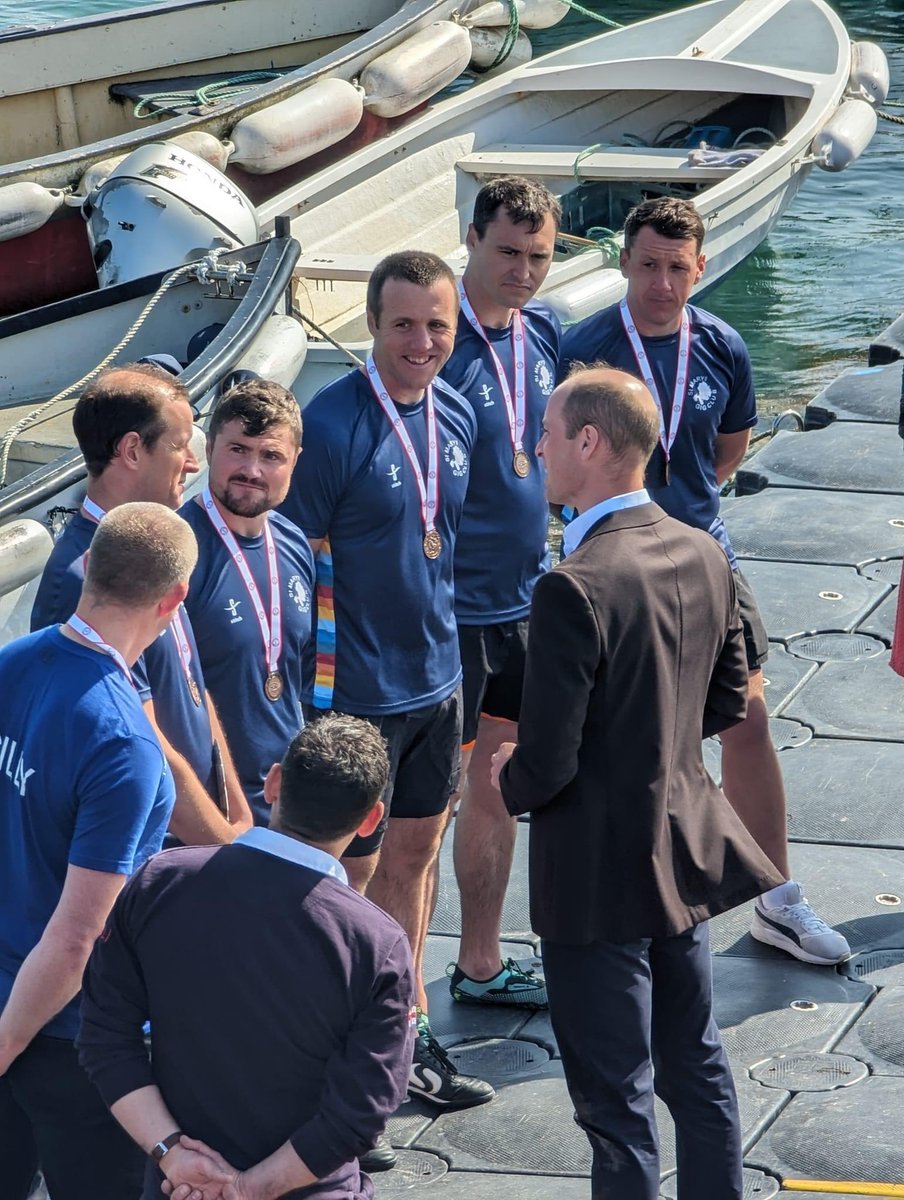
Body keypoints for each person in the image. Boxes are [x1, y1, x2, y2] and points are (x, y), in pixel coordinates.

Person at [491, 366, 785, 1199]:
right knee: (697, 1065)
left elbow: (549, 761)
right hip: (683, 854)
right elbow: (728, 702)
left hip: (594, 877)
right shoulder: (703, 550)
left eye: (548, 433)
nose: (538, 447)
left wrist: (510, 779)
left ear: (588, 442)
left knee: (614, 1100)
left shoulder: (571, 586)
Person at [558, 196, 850, 966]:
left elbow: (727, 450)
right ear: (624, 263)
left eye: (677, 268)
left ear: (701, 268)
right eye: (648, 266)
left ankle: (778, 901)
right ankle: (630, 913)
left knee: (747, 721)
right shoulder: (585, 350)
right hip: (617, 574)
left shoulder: (722, 345)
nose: (662, 283)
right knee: (634, 745)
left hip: (706, 560)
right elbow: (559, 464)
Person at [281, 250, 493, 1112]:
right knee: (348, 884)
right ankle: (332, 1062)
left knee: (416, 860)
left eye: (437, 324)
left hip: (438, 683)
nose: (421, 341)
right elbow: (290, 572)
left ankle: (404, 1038)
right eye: (403, 323)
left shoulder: (456, 412)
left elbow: (443, 542)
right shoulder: (332, 427)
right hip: (356, 699)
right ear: (372, 323)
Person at [78, 714, 415, 1200]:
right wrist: (246, 1188)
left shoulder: (160, 882)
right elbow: (359, 1115)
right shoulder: (378, 945)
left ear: (274, 782)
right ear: (370, 820)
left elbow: (104, 1039)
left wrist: (172, 1154)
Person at [0, 502, 194, 1200]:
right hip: (66, 1039)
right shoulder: (123, 743)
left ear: (87, 565)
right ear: (174, 599)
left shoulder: (11, 663)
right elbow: (77, 938)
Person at [31, 363, 252, 845]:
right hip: (153, 854)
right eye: (179, 445)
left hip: (197, 837)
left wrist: (236, 809)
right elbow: (140, 743)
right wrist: (225, 845)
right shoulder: (84, 581)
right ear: (132, 450)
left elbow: (192, 686)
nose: (192, 463)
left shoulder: (146, 549)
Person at [438, 177, 561, 1009]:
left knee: (495, 787)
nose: (522, 271)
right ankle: (393, 999)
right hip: (447, 615)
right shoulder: (435, 341)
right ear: (473, 239)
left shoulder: (543, 330)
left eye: (538, 256)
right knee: (421, 815)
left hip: (521, 604)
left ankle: (480, 963)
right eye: (508, 252)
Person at [180, 379, 315, 826]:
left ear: (295, 461)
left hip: (284, 805)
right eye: (238, 449)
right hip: (210, 812)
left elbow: (294, 676)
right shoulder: (179, 552)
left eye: (271, 456)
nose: (251, 470)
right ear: (209, 447)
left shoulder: (293, 543)